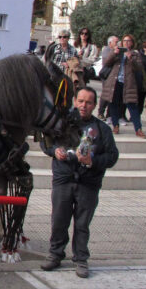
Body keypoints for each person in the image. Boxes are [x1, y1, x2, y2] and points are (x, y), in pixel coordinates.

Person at [40, 86, 119, 279]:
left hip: (88, 183)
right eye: (81, 101)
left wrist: (92, 161)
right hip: (63, 179)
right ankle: (55, 254)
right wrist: (55, 151)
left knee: (82, 224)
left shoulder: (102, 129)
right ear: (75, 102)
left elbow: (112, 156)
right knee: (58, 220)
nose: (84, 106)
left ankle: (81, 258)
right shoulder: (62, 123)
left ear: (94, 105)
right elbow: (45, 142)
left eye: (88, 102)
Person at [101, 34, 146, 138]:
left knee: (132, 106)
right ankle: (115, 125)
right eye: (125, 40)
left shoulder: (135, 54)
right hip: (115, 82)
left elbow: (139, 68)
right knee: (113, 104)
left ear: (132, 43)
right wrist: (114, 54)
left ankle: (138, 129)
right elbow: (107, 63)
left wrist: (131, 59)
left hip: (128, 84)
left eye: (129, 41)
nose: (126, 42)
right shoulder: (117, 52)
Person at [97, 35, 119, 120]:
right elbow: (107, 62)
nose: (118, 43)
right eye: (116, 42)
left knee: (113, 95)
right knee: (106, 94)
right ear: (110, 43)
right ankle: (101, 112)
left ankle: (109, 114)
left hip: (115, 75)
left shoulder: (118, 50)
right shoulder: (107, 50)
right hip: (107, 74)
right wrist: (114, 53)